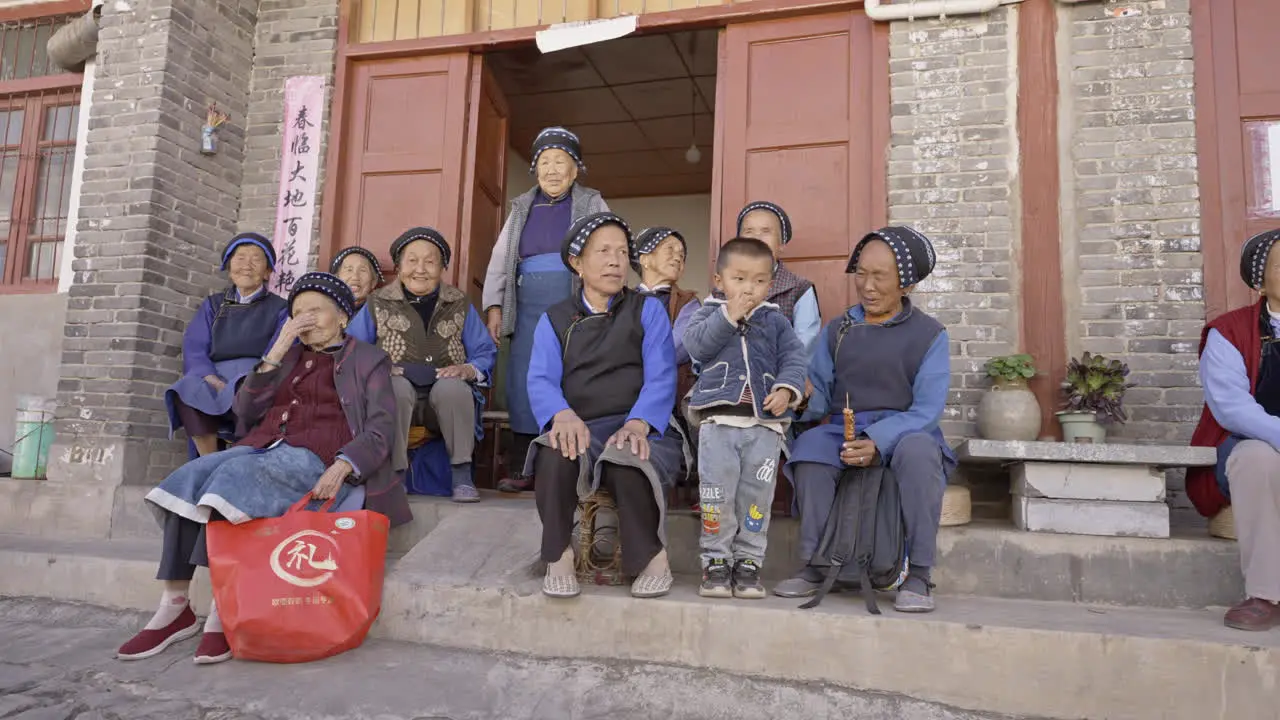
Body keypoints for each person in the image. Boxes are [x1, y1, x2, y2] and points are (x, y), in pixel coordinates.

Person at [117, 272, 407, 666]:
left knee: (230, 482)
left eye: (315, 311)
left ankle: (223, 612)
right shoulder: (286, 355)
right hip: (261, 447)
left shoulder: (368, 359)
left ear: (342, 316)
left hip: (316, 456)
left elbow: (381, 426)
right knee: (188, 479)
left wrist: (344, 464)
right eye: (297, 312)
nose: (304, 319)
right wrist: (276, 351)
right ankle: (175, 606)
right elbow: (245, 413)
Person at [776, 226, 952, 613]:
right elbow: (821, 397)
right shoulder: (839, 330)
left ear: (906, 283)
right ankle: (815, 565)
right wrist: (803, 400)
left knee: (922, 455)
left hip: (905, 430)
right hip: (845, 426)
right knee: (809, 450)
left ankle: (920, 574)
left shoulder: (930, 335)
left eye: (880, 276)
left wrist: (878, 442)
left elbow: (927, 410)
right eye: (861, 273)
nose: (867, 286)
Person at [527, 212, 681, 600]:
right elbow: (541, 378)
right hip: (580, 423)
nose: (615, 260)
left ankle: (652, 558)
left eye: (622, 252)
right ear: (577, 263)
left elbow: (662, 376)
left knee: (626, 456)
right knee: (554, 452)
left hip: (640, 423)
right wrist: (561, 414)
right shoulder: (555, 318)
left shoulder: (647, 310)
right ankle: (558, 555)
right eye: (603, 251)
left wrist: (638, 423)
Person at [482, 127, 610, 494]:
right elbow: (499, 260)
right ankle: (525, 467)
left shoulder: (591, 202)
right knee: (525, 381)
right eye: (545, 162)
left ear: (575, 169)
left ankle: (569, 467)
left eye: (561, 162)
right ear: (536, 169)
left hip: (574, 303)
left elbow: (609, 248)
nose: (553, 170)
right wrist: (494, 305)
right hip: (527, 306)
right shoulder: (522, 206)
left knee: (572, 378)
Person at [682, 237, 808, 599]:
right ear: (719, 281)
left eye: (758, 281)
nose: (748, 288)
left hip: (764, 427)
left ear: (770, 284)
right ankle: (716, 563)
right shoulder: (708, 313)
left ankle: (749, 563)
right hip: (718, 425)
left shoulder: (776, 321)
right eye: (739, 279)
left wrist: (786, 389)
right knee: (716, 495)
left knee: (756, 498)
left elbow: (795, 359)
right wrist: (728, 315)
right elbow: (696, 347)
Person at [348, 227, 497, 503]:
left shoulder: (459, 302)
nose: (420, 269)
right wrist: (377, 367)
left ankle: (461, 474)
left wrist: (468, 369)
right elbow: (352, 350)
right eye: (412, 260)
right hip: (397, 394)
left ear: (442, 268)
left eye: (430, 261)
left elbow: (484, 351)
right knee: (395, 386)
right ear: (398, 266)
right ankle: (396, 474)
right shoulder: (377, 302)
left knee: (453, 388)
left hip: (443, 397)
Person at [1189, 229, 1280, 631]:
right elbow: (1232, 408)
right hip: (1250, 442)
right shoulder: (1228, 331)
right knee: (1256, 458)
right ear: (1260, 280)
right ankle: (1266, 594)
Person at [164, 232, 288, 457]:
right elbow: (195, 346)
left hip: (254, 376)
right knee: (188, 388)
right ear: (229, 267)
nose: (246, 265)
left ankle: (237, 460)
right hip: (213, 375)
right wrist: (210, 377)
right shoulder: (214, 305)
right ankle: (208, 460)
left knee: (247, 391)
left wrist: (254, 376)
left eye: (256, 259)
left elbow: (277, 351)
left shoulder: (280, 308)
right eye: (240, 258)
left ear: (268, 271)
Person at [733, 201, 822, 354]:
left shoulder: (800, 289)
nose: (756, 238)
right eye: (749, 231)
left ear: (781, 245)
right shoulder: (722, 288)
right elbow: (703, 347)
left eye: (765, 231)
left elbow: (803, 351)